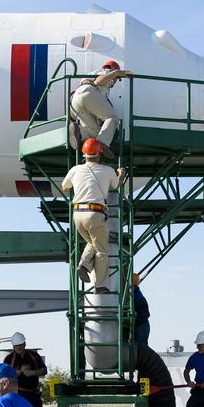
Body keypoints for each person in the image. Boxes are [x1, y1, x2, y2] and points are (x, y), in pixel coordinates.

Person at [60, 138, 124, 293]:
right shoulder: (108, 170)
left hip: (77, 215)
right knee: (102, 250)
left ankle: (84, 264)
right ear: (99, 154)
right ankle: (100, 286)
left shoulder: (75, 170)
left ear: (83, 154)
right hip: (95, 213)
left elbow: (64, 187)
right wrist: (121, 174)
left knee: (93, 242)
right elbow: (117, 185)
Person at [69, 60, 132, 154]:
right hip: (89, 92)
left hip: (76, 100)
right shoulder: (107, 72)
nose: (115, 81)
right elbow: (98, 82)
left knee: (95, 131)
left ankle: (80, 132)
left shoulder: (90, 75)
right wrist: (116, 73)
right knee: (112, 118)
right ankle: (102, 144)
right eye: (117, 78)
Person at [2, 332, 48, 407]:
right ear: (13, 346)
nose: (19, 347)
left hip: (34, 394)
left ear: (25, 344)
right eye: (16, 345)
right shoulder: (8, 359)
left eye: (20, 344)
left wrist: (32, 372)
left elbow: (44, 370)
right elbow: (4, 377)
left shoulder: (34, 355)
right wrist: (18, 373)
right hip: (18, 394)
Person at [133, 273, 151, 347]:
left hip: (141, 326)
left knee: (141, 349)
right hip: (141, 325)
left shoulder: (136, 295)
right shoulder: (136, 293)